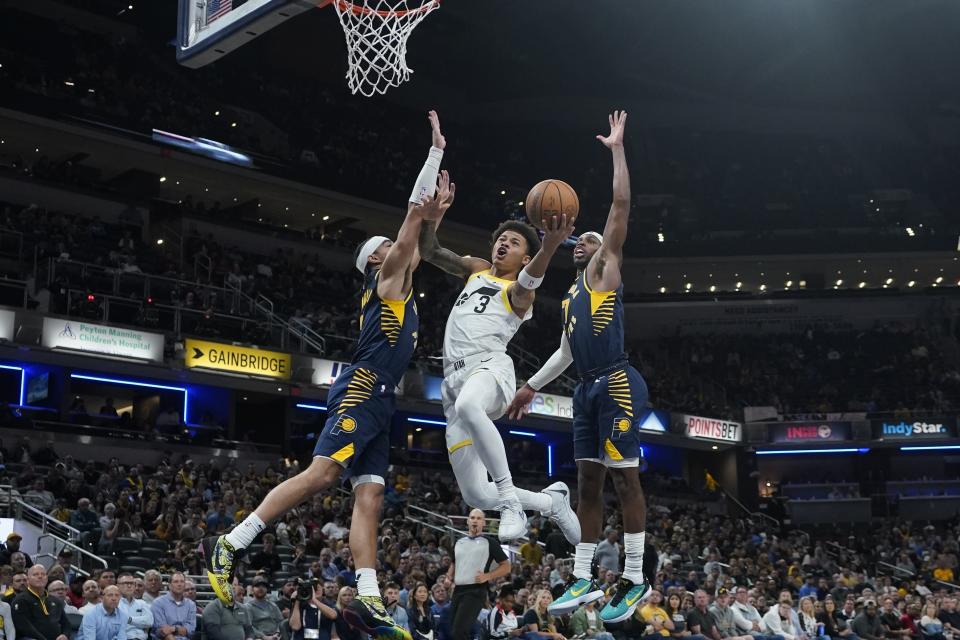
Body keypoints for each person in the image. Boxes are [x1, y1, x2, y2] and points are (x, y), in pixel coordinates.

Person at [202, 111, 453, 640]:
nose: (397, 246)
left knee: (372, 496)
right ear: (376, 259)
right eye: (388, 244)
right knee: (321, 475)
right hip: (363, 385)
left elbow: (418, 239)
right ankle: (234, 540)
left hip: (382, 398)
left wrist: (434, 218)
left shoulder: (400, 283)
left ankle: (367, 594)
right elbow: (410, 226)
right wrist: (433, 156)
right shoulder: (384, 280)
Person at [509, 112, 649, 624]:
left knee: (625, 482)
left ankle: (635, 576)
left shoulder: (606, 268)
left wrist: (616, 149)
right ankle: (585, 574)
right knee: (587, 484)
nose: (584, 242)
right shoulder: (570, 296)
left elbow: (620, 205)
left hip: (616, 382)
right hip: (585, 391)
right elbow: (565, 354)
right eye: (582, 240)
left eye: (589, 238)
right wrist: (529, 387)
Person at [417, 175, 579, 544]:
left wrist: (549, 249)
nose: (504, 243)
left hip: (490, 368)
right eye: (501, 239)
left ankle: (510, 502)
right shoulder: (475, 269)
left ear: (525, 257)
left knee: (472, 405)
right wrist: (432, 217)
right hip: (452, 383)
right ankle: (551, 502)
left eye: (514, 241)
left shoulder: (520, 293)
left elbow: (527, 284)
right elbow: (429, 251)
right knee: (475, 494)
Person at [447, 510, 511, 640]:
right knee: (453, 631)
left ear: (484, 522)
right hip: (458, 590)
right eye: (472, 517)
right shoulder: (459, 542)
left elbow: (506, 566)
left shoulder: (490, 542)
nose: (475, 520)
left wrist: (487, 576)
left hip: (475, 591)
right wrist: (448, 577)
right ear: (468, 521)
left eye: (478, 518)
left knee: (458, 632)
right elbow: (454, 563)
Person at [11, 564, 71, 640]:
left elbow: (66, 624)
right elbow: (25, 628)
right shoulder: (20, 600)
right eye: (35, 574)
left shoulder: (55, 600)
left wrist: (65, 635)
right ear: (28, 579)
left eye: (43, 574)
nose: (40, 576)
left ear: (47, 578)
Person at [150, 572, 196, 640]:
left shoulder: (191, 605)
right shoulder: (158, 603)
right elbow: (163, 631)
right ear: (170, 586)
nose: (179, 584)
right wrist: (179, 631)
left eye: (182, 581)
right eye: (176, 582)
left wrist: (174, 629)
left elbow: (190, 631)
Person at [117, 572, 154, 640]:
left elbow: (149, 621)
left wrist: (129, 620)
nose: (129, 586)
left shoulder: (142, 603)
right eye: (125, 583)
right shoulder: (114, 604)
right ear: (118, 586)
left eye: (131, 583)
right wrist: (140, 621)